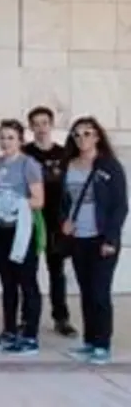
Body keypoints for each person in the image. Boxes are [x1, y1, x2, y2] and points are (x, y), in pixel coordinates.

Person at [62, 116, 127, 365]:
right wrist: (64, 221)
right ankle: (89, 342)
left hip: (102, 239)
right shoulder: (70, 165)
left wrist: (111, 238)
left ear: (97, 136)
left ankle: (102, 344)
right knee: (86, 292)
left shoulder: (109, 166)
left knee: (100, 292)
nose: (82, 138)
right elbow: (64, 201)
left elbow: (120, 206)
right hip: (79, 238)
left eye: (87, 133)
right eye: (77, 134)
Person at [0, 119, 44, 355]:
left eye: (10, 138)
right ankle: (9, 330)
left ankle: (30, 336)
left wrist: (17, 203)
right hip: (1, 229)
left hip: (22, 230)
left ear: (20, 140)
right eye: (2, 137)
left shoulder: (28, 164)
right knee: (7, 283)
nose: (6, 142)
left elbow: (39, 200)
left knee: (27, 282)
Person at [22, 106, 77, 337]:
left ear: (51, 125)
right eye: (36, 124)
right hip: (32, 219)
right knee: (28, 270)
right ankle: (28, 317)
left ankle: (61, 318)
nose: (41, 128)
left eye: (45, 123)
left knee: (56, 270)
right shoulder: (25, 153)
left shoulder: (64, 154)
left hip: (56, 220)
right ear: (31, 127)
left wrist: (69, 218)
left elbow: (71, 188)